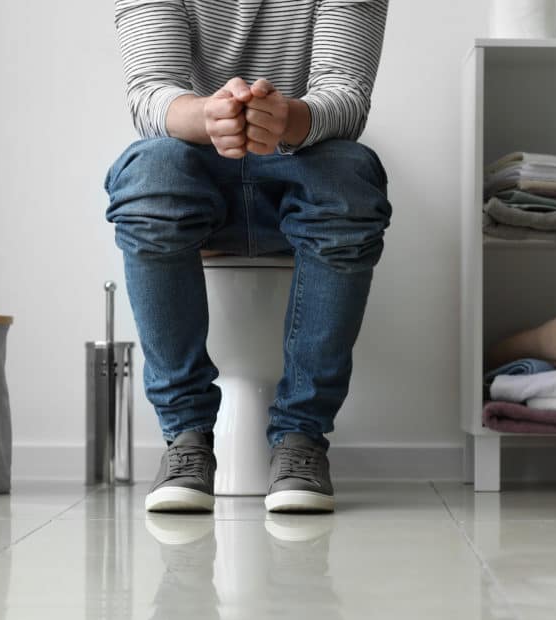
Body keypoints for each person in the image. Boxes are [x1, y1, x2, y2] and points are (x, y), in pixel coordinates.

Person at [104, 0, 391, 515]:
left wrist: (286, 118)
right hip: (197, 172)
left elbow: (346, 97)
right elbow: (150, 95)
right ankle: (186, 439)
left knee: (350, 175)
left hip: (302, 167)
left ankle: (301, 440)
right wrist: (208, 116)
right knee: (149, 172)